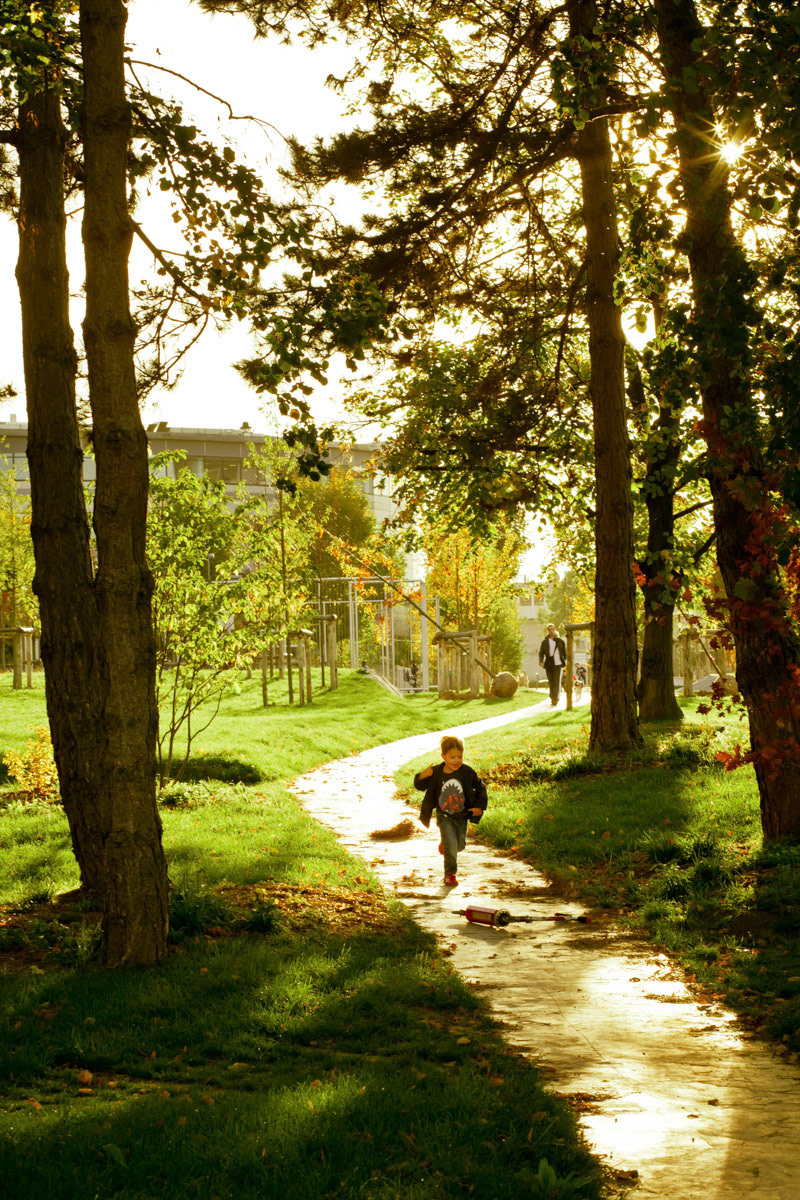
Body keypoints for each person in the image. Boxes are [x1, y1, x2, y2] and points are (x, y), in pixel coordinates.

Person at [414, 735, 488, 887]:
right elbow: (420, 786)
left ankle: (446, 845)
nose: (456, 761)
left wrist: (479, 807)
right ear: (443, 756)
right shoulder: (436, 772)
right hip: (444, 815)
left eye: (459, 757)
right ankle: (450, 874)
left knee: (459, 845)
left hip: (462, 816)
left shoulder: (466, 772)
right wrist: (422, 775)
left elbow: (481, 787)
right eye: (452, 757)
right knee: (451, 847)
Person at [539, 622, 567, 706]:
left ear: (555, 629)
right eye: (549, 629)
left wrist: (563, 661)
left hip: (558, 664)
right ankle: (552, 697)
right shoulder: (545, 642)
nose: (551, 631)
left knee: (556, 682)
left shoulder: (560, 641)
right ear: (547, 631)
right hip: (549, 664)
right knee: (551, 682)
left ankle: (555, 698)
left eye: (552, 629)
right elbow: (541, 653)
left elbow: (564, 653)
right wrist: (541, 661)